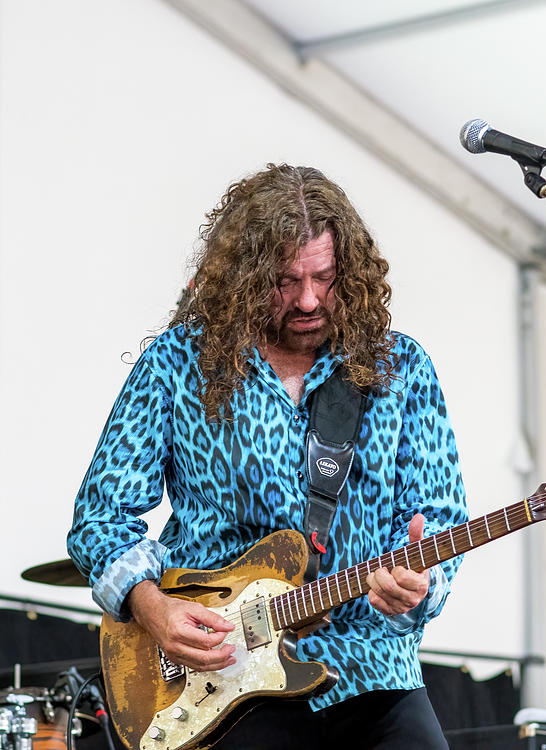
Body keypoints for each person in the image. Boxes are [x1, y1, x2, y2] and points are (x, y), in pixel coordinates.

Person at [67, 164, 468, 749]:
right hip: (222, 675)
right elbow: (101, 516)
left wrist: (418, 586)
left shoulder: (399, 369)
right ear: (245, 277)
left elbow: (441, 517)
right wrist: (152, 608)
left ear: (349, 272)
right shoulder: (180, 364)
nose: (307, 299)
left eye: (324, 277)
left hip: (371, 668)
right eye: (285, 281)